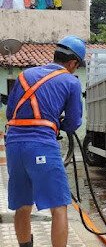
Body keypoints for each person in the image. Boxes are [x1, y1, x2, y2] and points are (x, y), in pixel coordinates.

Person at [5, 35, 86, 247]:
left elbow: (10, 113)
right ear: (72, 63)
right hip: (41, 143)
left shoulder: (24, 75)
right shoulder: (70, 81)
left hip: (13, 144)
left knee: (22, 205)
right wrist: (55, 122)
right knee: (59, 206)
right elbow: (73, 123)